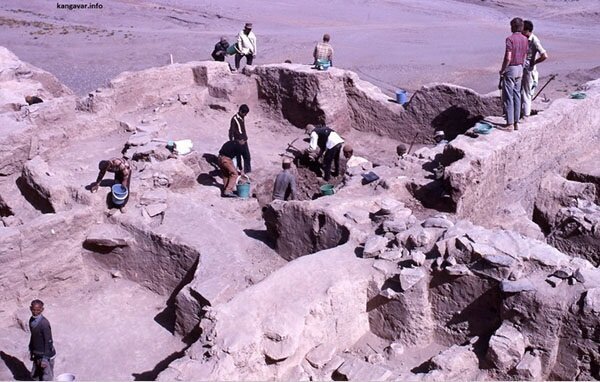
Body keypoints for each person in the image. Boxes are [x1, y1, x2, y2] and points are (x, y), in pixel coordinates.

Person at [499, 17, 529, 131]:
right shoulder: (525, 39)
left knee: (508, 96)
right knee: (517, 94)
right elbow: (525, 55)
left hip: (511, 68)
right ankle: (516, 122)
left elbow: (508, 57)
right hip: (520, 68)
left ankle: (510, 124)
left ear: (512, 26)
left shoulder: (510, 39)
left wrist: (502, 70)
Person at [521, 20, 548, 117]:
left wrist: (534, 62)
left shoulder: (534, 40)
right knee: (521, 92)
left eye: (522, 30)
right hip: (522, 68)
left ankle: (526, 115)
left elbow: (544, 56)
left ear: (527, 30)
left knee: (526, 93)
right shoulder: (523, 38)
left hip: (529, 69)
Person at [28, 299, 56, 381]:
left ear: (42, 309)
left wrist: (45, 358)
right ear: (30, 308)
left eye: (38, 310)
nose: (35, 312)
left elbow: (48, 341)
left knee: (46, 377)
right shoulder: (31, 320)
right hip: (37, 353)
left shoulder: (44, 323)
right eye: (33, 309)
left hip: (45, 355)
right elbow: (33, 336)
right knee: (35, 375)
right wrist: (31, 349)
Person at [229, 104, 252, 173]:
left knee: (247, 156)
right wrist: (232, 142)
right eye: (245, 113)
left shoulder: (242, 117)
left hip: (244, 140)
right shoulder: (234, 119)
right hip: (238, 141)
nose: (245, 115)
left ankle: (247, 172)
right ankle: (239, 171)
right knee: (238, 157)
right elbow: (231, 131)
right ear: (241, 111)